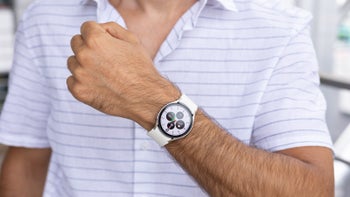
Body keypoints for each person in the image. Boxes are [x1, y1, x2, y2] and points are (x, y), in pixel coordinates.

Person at [0, 0, 334, 196]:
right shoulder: (44, 16)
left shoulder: (278, 27)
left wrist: (151, 100)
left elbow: (314, 190)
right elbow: (27, 161)